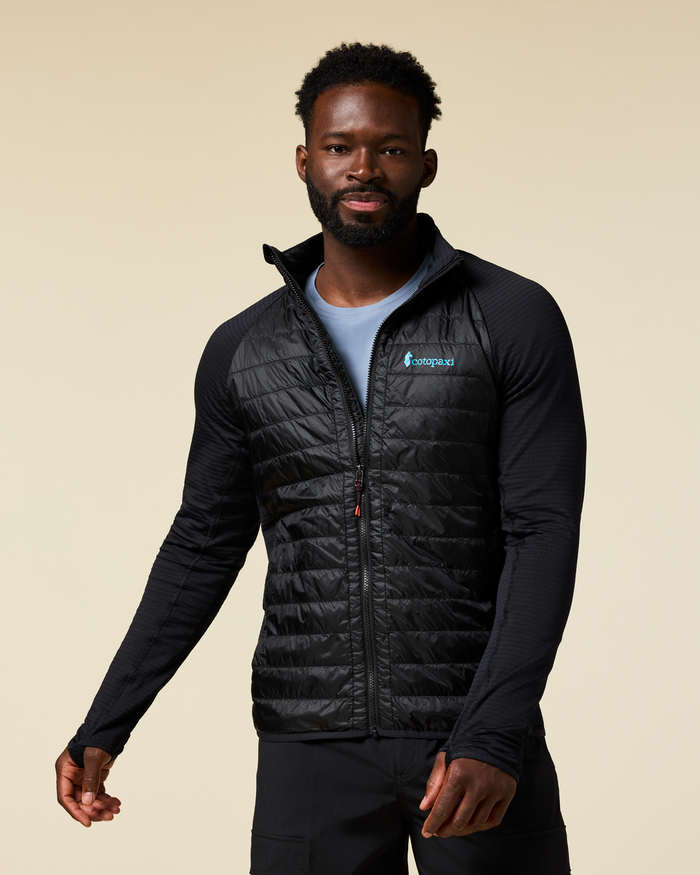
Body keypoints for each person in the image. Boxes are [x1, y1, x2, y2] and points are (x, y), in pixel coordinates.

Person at [55, 43, 585, 875]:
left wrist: (493, 730)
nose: (363, 168)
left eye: (391, 147)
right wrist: (107, 719)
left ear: (427, 164)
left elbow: (542, 531)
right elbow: (202, 544)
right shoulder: (243, 350)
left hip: (469, 734)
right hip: (308, 747)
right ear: (305, 160)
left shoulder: (511, 317)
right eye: (340, 146)